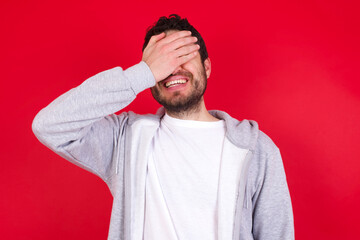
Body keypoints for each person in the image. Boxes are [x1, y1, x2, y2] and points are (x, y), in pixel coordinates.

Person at [32, 14, 294, 240]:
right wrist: (141, 73)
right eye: (162, 61)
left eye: (182, 55)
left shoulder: (256, 149)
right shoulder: (125, 140)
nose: (172, 69)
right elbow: (49, 125)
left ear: (207, 67)